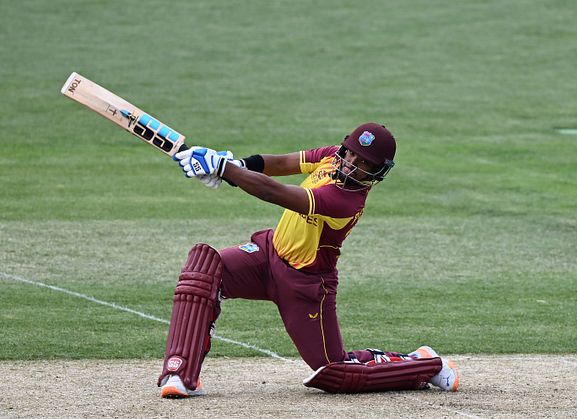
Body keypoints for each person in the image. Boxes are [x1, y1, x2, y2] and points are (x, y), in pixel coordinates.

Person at [157, 122, 460, 398]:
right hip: (267, 256)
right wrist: (240, 164)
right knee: (205, 268)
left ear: (377, 172)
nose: (352, 164)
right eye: (351, 154)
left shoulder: (346, 201)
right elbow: (283, 163)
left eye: (364, 163)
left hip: (306, 285)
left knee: (335, 372)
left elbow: (273, 191)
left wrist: (226, 170)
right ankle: (179, 373)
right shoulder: (331, 156)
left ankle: (424, 363)